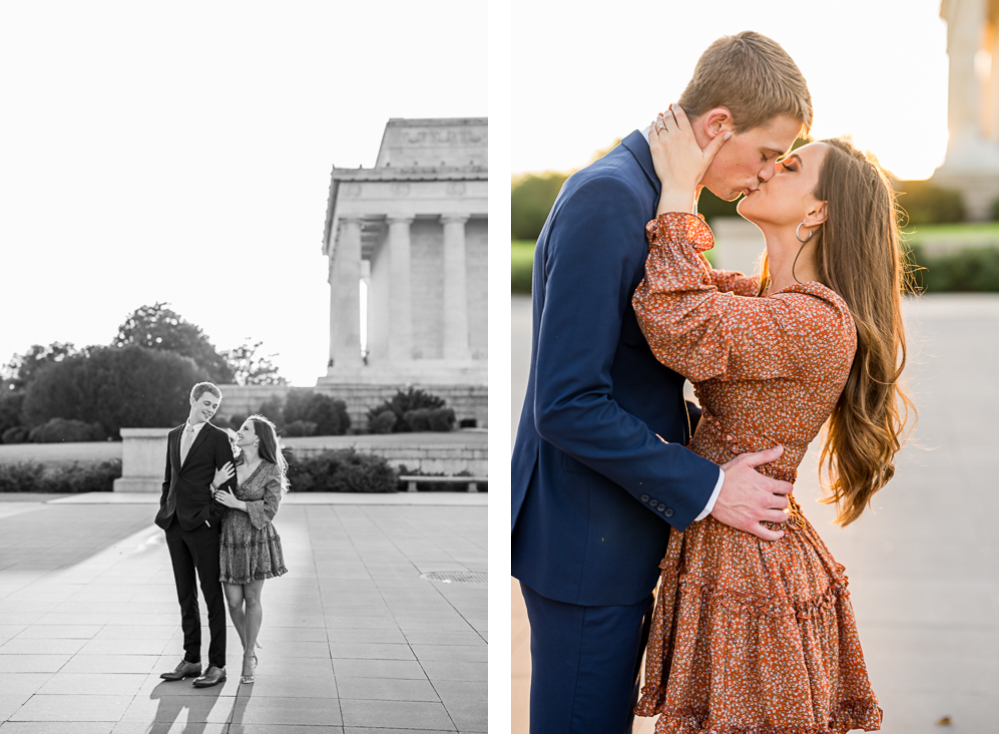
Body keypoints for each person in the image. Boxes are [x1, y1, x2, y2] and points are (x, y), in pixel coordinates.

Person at [511, 31, 813, 733]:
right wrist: (709, 487)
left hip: (611, 531)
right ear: (717, 126)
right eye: (767, 154)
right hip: (588, 542)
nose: (766, 174)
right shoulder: (610, 200)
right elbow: (567, 402)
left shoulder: (651, 193)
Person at [631, 106, 911, 732]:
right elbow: (692, 292)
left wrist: (680, 190)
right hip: (733, 546)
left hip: (752, 574)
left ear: (817, 212)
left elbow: (681, 321)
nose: (766, 172)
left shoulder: (815, 319)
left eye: (788, 166)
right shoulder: (764, 300)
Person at [156, 382, 235, 688]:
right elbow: (169, 478)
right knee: (185, 595)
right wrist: (165, 509)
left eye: (214, 406)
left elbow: (229, 486)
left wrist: (209, 519)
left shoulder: (218, 438)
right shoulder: (174, 434)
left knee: (212, 596)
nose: (210, 409)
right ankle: (191, 659)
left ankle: (217, 664)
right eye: (206, 403)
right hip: (174, 524)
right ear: (192, 399)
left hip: (203, 528)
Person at [210, 413, 288, 684]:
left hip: (256, 539)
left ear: (258, 437)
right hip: (229, 538)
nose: (239, 432)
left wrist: (238, 504)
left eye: (245, 429)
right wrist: (216, 483)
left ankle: (247, 657)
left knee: (252, 600)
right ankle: (251, 646)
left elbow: (270, 510)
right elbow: (212, 497)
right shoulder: (229, 464)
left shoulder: (270, 469)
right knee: (233, 602)